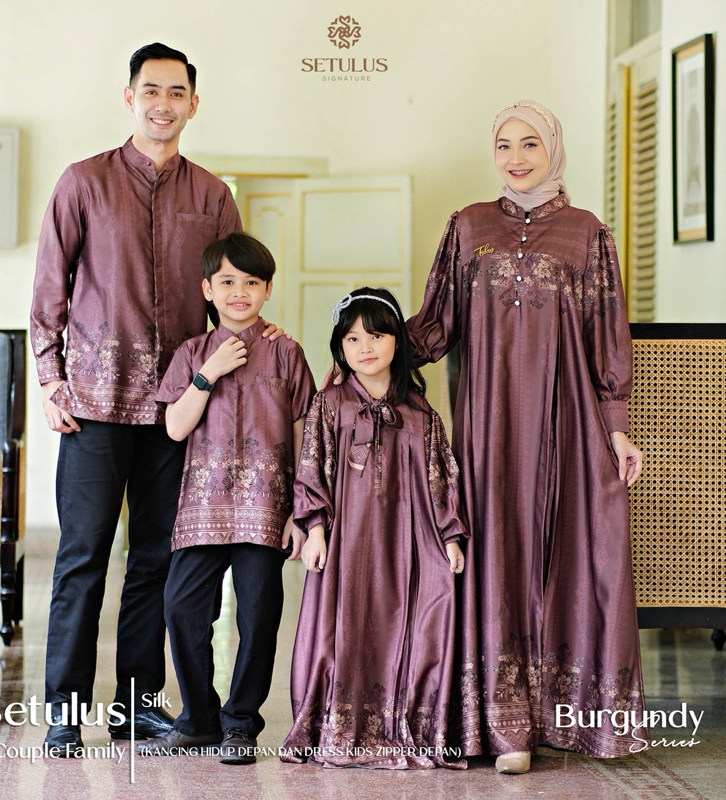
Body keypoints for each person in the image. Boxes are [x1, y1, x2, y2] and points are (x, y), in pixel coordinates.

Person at [406, 100, 646, 773]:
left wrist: (618, 430)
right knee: (496, 551)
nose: (516, 157)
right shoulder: (468, 227)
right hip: (491, 431)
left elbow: (607, 335)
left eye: (530, 144)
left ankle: (569, 718)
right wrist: (363, 342)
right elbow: (435, 325)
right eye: (505, 145)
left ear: (553, 148)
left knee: (577, 553)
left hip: (570, 424)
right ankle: (506, 724)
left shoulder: (586, 233)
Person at [31, 42, 254, 755]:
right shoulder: (83, 182)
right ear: (129, 97)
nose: (164, 104)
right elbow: (50, 286)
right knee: (83, 558)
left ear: (194, 103)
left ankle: (135, 707)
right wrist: (50, 378)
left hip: (175, 411)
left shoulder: (213, 196)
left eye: (177, 92)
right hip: (93, 405)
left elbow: (230, 295)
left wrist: (237, 363)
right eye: (151, 90)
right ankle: (64, 710)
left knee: (156, 558)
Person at [137, 232, 315, 764]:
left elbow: (306, 437)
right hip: (202, 508)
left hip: (266, 510)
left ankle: (240, 724)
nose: (240, 292)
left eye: (252, 282)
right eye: (228, 281)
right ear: (207, 290)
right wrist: (207, 374)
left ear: (268, 290)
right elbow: (174, 427)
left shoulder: (286, 352)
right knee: (181, 608)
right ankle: (198, 719)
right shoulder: (192, 353)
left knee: (258, 617)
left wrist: (302, 512)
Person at [280, 288, 468, 770]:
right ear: (340, 347)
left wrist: (450, 535)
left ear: (397, 340)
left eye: (377, 335)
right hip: (347, 540)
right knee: (344, 626)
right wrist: (315, 529)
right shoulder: (329, 404)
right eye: (352, 338)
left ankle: (408, 720)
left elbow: (442, 478)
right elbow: (312, 469)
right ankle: (341, 723)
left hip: (411, 539)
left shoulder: (421, 414)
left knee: (425, 614)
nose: (365, 347)